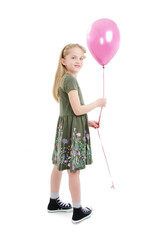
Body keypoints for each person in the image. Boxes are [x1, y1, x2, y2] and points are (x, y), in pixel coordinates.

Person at [47, 43, 106, 223]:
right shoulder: (70, 80)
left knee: (59, 164)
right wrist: (97, 103)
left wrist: (86, 122)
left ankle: (53, 201)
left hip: (67, 128)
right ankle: (78, 210)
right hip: (72, 130)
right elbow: (78, 109)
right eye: (74, 57)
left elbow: (71, 112)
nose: (78, 61)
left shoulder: (65, 78)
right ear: (63, 61)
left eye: (81, 58)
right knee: (74, 170)